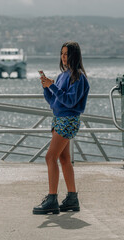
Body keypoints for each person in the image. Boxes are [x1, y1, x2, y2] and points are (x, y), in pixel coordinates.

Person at [33, 41, 90, 214]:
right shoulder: (63, 75)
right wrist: (47, 88)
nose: (63, 57)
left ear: (74, 56)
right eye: (62, 53)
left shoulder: (78, 77)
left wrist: (53, 86)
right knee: (63, 159)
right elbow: (55, 102)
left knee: (50, 157)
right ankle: (72, 199)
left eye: (66, 54)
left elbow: (70, 101)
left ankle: (52, 199)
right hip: (59, 118)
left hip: (68, 120)